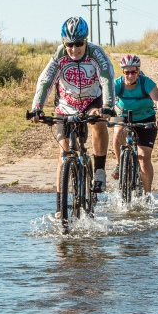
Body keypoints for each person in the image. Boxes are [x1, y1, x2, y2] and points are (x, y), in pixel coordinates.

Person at [30, 17, 116, 198]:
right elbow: (46, 81)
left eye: (78, 44)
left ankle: (99, 171)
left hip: (92, 100)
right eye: (69, 44)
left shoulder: (96, 53)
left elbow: (107, 78)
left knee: (99, 123)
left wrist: (108, 106)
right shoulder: (60, 55)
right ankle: (60, 205)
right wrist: (37, 107)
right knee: (63, 153)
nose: (74, 49)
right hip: (66, 104)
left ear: (85, 41)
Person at [111, 54, 158, 192]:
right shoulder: (117, 84)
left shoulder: (146, 82)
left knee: (144, 158)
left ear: (138, 71)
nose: (130, 75)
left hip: (146, 118)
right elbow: (108, 100)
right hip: (123, 115)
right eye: (126, 72)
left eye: (133, 71)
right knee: (117, 132)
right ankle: (119, 163)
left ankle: (147, 194)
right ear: (123, 72)